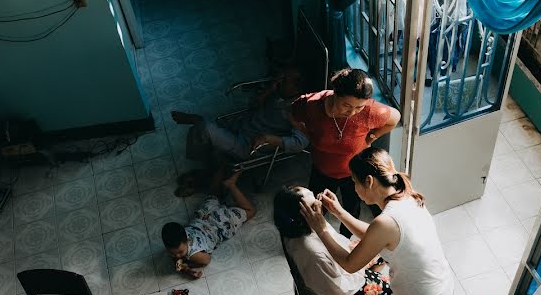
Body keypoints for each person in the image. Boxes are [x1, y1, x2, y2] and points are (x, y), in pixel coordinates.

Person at [299, 148, 453, 295]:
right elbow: (376, 236)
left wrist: (321, 228)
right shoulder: (407, 196)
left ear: (368, 181)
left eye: (354, 182)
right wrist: (339, 212)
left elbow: (350, 264)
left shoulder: (386, 221)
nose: (353, 188)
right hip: (443, 288)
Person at [290, 68, 400, 237]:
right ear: (335, 94)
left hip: (354, 173)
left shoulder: (369, 111)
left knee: (351, 210)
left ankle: (344, 240)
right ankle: (310, 235)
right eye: (346, 105)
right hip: (323, 170)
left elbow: (395, 117)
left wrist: (372, 137)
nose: (352, 112)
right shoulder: (311, 105)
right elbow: (292, 114)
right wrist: (308, 134)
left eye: (359, 107)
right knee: (316, 206)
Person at [171, 67, 310, 194]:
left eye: (285, 80)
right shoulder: (278, 92)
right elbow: (253, 105)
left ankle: (206, 172)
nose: (280, 81)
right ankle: (209, 167)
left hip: (247, 144)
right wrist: (269, 90)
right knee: (201, 131)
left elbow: (301, 143)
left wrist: (269, 139)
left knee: (204, 127)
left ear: (295, 89)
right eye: (282, 76)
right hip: (240, 125)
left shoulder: (298, 109)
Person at [274, 186, 393, 295]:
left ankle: (370, 286)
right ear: (304, 216)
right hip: (338, 291)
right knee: (393, 288)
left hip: (336, 268)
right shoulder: (314, 253)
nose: (319, 203)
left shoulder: (296, 226)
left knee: (381, 248)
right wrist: (360, 272)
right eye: (314, 205)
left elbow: (337, 240)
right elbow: (339, 290)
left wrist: (337, 211)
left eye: (315, 197)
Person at [161, 172, 256, 279]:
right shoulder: (181, 235)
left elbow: (206, 260)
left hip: (222, 223)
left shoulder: (193, 254)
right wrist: (181, 262)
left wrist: (187, 265)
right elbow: (178, 252)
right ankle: (222, 167)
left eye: (180, 252)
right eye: (173, 254)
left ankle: (231, 185)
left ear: (187, 241)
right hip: (206, 213)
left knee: (250, 210)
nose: (178, 256)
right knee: (214, 192)